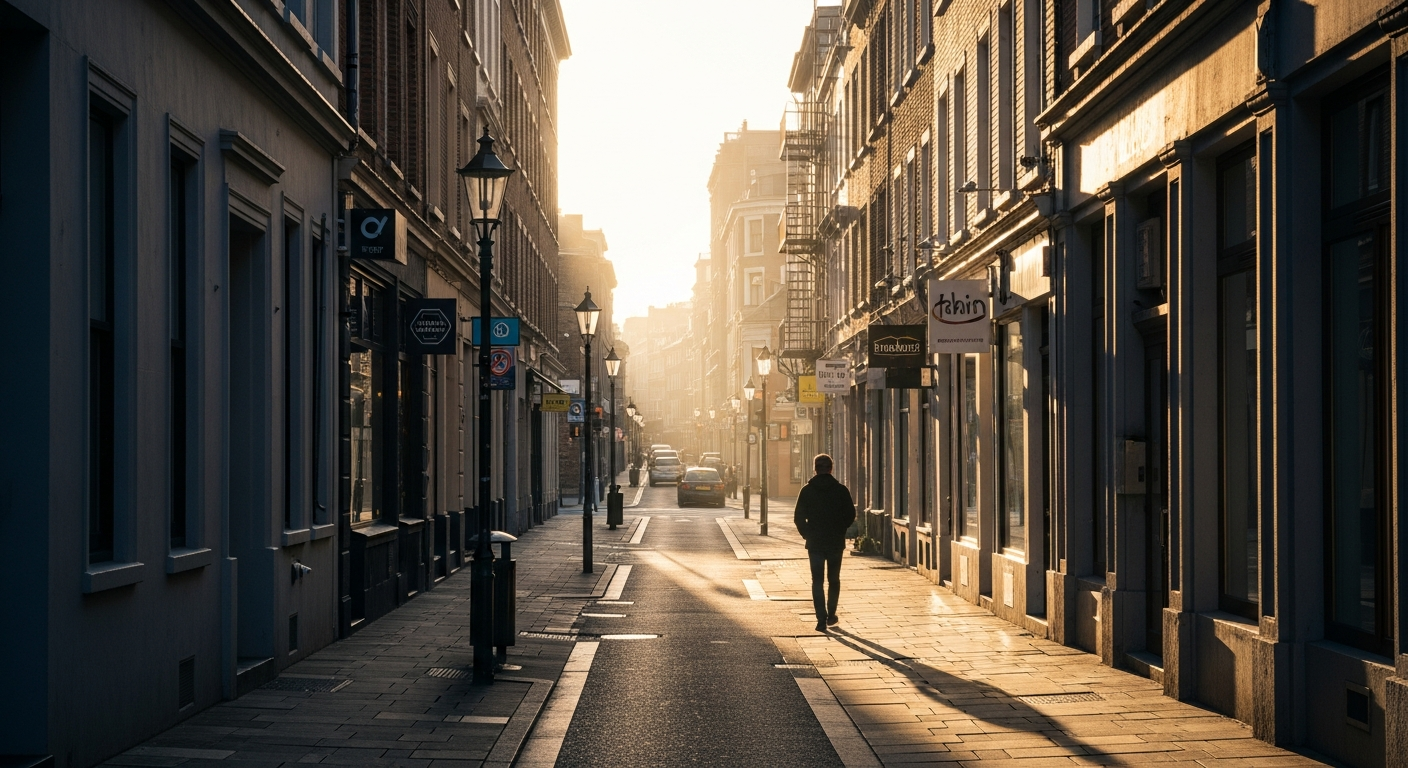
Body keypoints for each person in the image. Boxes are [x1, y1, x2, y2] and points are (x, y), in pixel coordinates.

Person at [793, 454, 856, 633]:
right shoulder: (841, 490)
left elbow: (798, 517)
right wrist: (840, 529)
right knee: (834, 580)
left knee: (817, 581)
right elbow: (850, 514)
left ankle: (820, 618)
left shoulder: (807, 490)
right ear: (831, 468)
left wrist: (807, 534)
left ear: (815, 469)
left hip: (815, 543)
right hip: (835, 542)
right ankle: (831, 615)